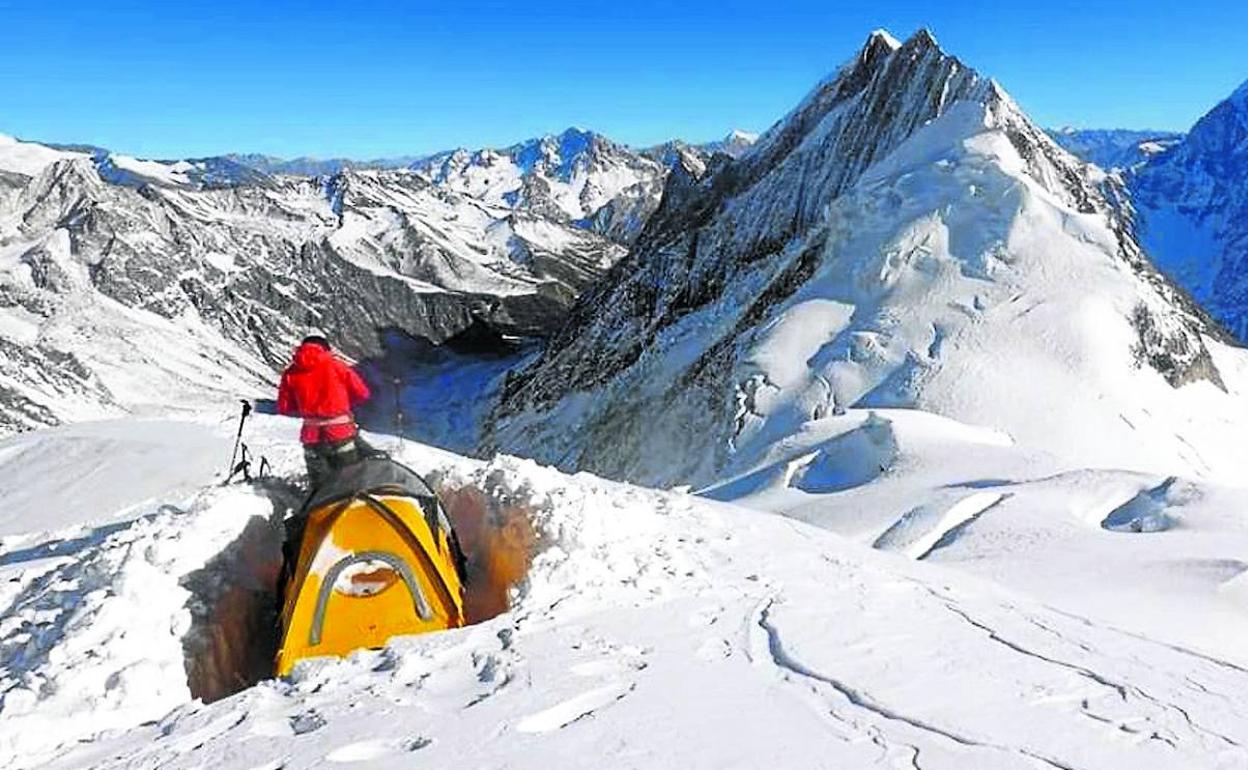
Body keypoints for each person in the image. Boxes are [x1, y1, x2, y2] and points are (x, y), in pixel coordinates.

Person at [277, 334, 373, 489]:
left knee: (320, 487)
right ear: (325, 348)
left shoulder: (290, 372)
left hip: (311, 436)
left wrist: (306, 406)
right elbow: (362, 393)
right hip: (341, 432)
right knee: (350, 483)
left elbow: (285, 407)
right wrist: (342, 403)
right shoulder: (337, 366)